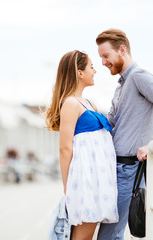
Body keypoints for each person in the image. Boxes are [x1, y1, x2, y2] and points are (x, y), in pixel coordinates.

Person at [96, 29, 153, 239]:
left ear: (122, 50)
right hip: (117, 169)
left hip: (129, 170)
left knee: (109, 235)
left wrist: (152, 144)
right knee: (111, 234)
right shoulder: (122, 84)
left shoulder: (138, 76)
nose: (104, 62)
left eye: (106, 56)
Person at [46, 50, 119, 240]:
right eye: (91, 67)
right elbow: (65, 147)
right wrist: (68, 186)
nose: (95, 71)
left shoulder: (87, 102)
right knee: (83, 236)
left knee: (86, 234)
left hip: (97, 180)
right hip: (85, 181)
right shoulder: (70, 103)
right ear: (80, 73)